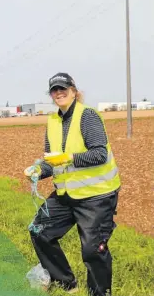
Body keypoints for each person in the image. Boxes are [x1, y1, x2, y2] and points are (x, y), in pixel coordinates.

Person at [24, 73, 120, 296]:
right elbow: (53, 161)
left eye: (63, 88)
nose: (59, 92)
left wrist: (69, 158)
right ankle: (67, 284)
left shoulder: (87, 116)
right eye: (54, 90)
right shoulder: (53, 121)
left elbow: (99, 154)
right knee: (39, 231)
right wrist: (39, 171)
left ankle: (99, 293)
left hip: (97, 195)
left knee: (92, 250)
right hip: (67, 194)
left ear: (74, 90)